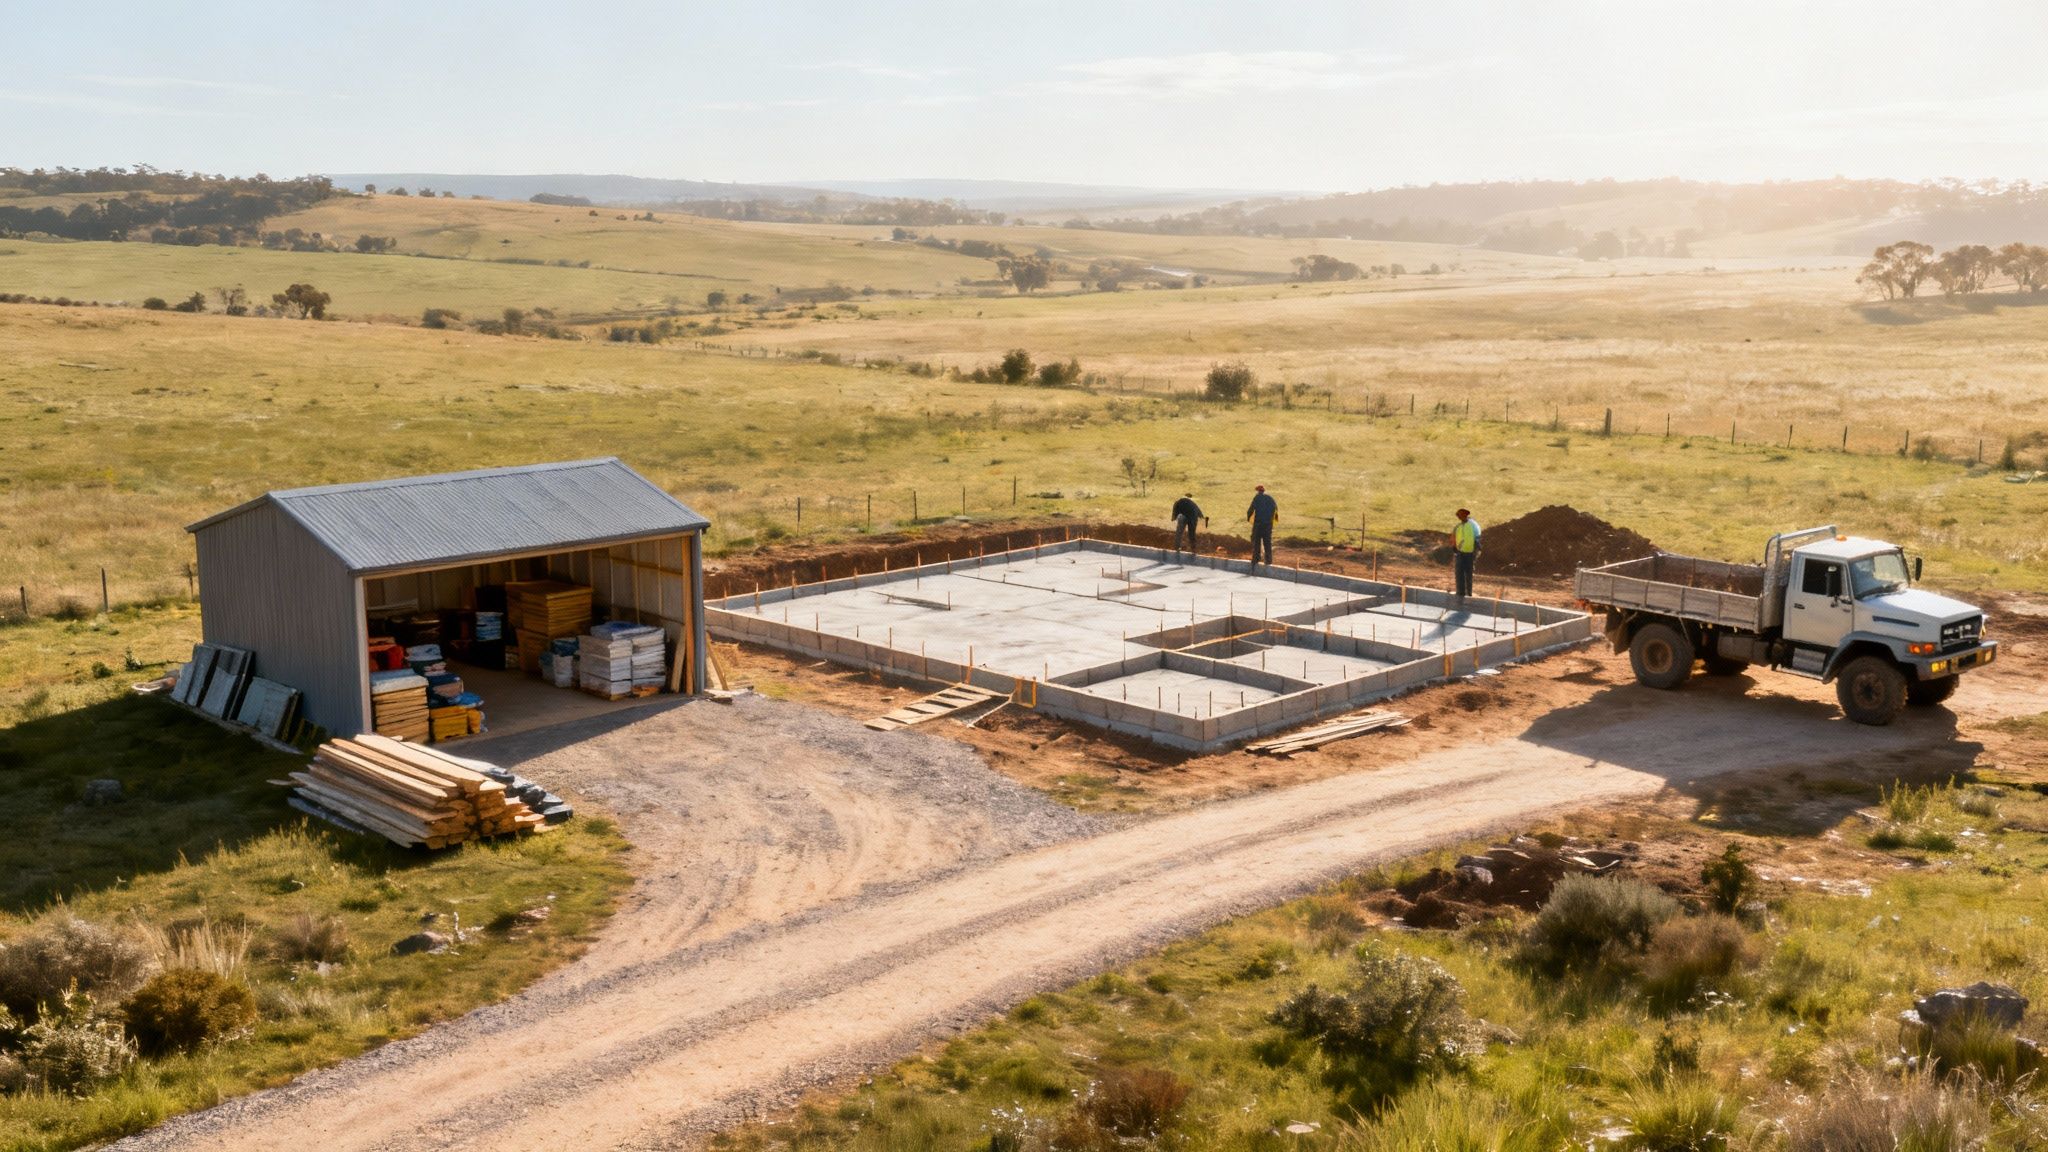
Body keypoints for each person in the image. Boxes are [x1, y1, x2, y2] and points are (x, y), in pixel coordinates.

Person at [1451, 507, 1481, 599]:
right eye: (1458, 516)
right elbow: (1454, 537)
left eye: (1460, 515)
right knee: (1459, 572)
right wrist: (1454, 547)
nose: (1459, 517)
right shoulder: (1458, 526)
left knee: (1468, 572)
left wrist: (1476, 550)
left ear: (1465, 514)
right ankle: (1460, 592)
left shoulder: (1473, 525)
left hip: (1470, 552)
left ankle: (1468, 593)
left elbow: (1477, 537)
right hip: (1460, 552)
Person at [1246, 484, 1277, 567]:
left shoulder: (1256, 498)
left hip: (1258, 524)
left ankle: (1256, 558)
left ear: (1258, 491)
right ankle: (1268, 560)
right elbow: (1275, 510)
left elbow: (1250, 510)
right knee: (1267, 542)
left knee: (1256, 541)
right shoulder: (1270, 499)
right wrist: (1272, 522)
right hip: (1268, 525)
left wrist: (1248, 518)